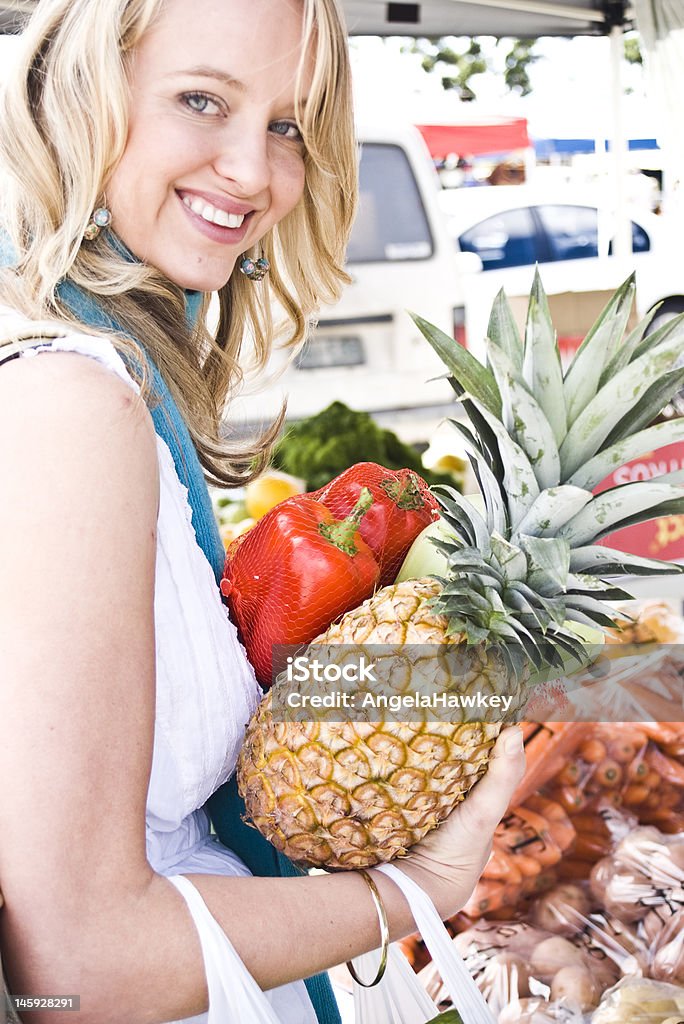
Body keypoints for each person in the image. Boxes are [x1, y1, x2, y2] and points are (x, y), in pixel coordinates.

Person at [0, 1, 527, 1021]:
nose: (253, 173)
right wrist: (422, 887)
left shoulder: (110, 378)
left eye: (288, 125)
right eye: (203, 100)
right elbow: (79, 971)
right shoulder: (73, 405)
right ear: (75, 96)